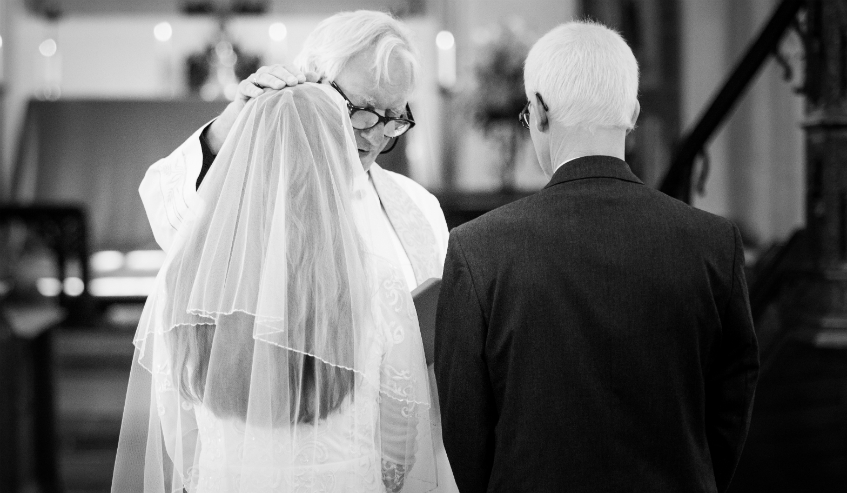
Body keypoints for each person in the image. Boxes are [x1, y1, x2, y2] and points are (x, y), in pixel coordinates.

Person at [136, 10, 457, 492]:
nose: (375, 135)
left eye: (394, 118)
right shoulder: (242, 198)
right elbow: (170, 218)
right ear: (312, 84)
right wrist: (230, 126)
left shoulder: (418, 208)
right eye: (363, 109)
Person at [434, 21, 760, 492]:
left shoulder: (478, 249)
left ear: (538, 111)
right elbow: (732, 402)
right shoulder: (713, 243)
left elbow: (465, 426)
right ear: (632, 113)